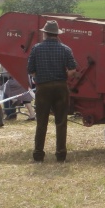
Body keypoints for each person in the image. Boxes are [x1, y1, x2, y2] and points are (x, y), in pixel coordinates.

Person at [27, 20, 78, 163]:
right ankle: (61, 154)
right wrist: (62, 76)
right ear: (56, 34)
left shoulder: (36, 49)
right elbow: (73, 70)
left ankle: (38, 154)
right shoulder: (66, 49)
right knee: (61, 122)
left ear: (45, 33)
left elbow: (30, 70)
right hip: (61, 87)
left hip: (43, 87)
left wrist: (42, 76)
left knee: (41, 122)